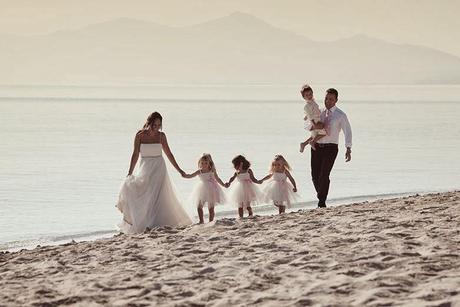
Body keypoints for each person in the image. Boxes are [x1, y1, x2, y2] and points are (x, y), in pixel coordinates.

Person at [116, 112, 192, 233]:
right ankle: (143, 222)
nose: (156, 127)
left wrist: (179, 170)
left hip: (159, 168)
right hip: (145, 167)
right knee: (145, 194)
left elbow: (169, 154)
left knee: (157, 196)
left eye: (159, 125)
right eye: (154, 125)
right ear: (149, 123)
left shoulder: (161, 136)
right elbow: (135, 154)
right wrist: (130, 172)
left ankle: (155, 223)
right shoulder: (140, 135)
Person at [310, 88, 352, 208]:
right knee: (314, 175)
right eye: (326, 98)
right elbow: (312, 127)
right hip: (316, 146)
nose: (328, 101)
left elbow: (347, 131)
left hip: (331, 148)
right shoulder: (319, 112)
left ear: (336, 100)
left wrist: (348, 148)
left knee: (324, 174)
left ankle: (321, 202)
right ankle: (321, 195)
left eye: (331, 99)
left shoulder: (340, 115)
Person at [183, 153, 227, 224]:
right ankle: (201, 220)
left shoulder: (212, 171)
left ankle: (211, 221)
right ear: (200, 163)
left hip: (212, 189)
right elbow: (191, 176)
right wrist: (185, 175)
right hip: (202, 189)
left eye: (206, 163)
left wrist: (223, 184)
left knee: (211, 208)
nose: (204, 165)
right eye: (202, 163)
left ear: (209, 163)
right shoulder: (199, 171)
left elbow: (218, 179)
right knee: (199, 206)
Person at [299, 84, 327, 152]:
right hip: (314, 121)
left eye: (310, 94)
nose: (309, 96)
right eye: (307, 95)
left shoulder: (312, 102)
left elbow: (310, 112)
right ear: (303, 97)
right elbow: (310, 116)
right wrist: (315, 125)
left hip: (316, 119)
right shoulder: (307, 106)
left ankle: (303, 144)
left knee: (314, 135)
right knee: (323, 133)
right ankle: (312, 142)